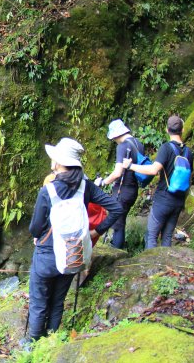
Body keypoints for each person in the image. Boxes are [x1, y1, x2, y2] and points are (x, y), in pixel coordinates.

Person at [27, 138, 122, 343]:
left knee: (38, 300)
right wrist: (96, 232)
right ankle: (51, 340)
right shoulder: (86, 186)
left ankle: (33, 343)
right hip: (73, 251)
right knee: (58, 299)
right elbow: (116, 208)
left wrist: (37, 236)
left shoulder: (48, 190)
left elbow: (34, 227)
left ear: (58, 163)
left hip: (46, 253)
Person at [122, 115, 194, 249]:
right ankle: (165, 267)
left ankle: (152, 267)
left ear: (167, 130)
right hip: (178, 201)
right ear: (182, 130)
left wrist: (130, 166)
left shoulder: (166, 148)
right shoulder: (189, 152)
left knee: (151, 236)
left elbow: (154, 170)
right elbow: (189, 177)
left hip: (163, 199)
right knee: (167, 236)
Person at [95, 119, 145, 249]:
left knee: (117, 226)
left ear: (116, 134)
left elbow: (118, 173)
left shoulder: (122, 146)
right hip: (133, 190)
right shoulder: (138, 144)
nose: (114, 140)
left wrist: (103, 182)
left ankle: (116, 256)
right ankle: (118, 250)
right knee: (120, 222)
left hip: (122, 191)